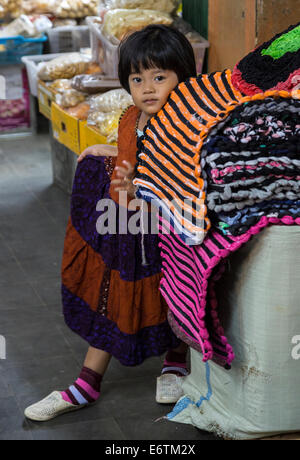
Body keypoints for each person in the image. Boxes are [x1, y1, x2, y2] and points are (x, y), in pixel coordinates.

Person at [24, 24, 197, 422]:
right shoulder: (131, 117)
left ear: (183, 77)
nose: (148, 88)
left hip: (170, 233)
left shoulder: (184, 124)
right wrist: (107, 151)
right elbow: (130, 153)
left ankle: (175, 361)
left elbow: (184, 178)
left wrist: (147, 193)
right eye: (138, 79)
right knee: (114, 292)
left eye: (160, 77)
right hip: (130, 231)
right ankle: (87, 383)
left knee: (172, 296)